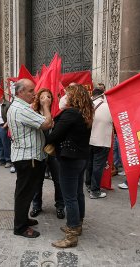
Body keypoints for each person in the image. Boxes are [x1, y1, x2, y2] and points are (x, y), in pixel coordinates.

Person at [46, 84, 93, 248]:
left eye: (67, 94)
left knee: (69, 197)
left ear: (73, 97)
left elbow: (54, 136)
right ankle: (77, 224)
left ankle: (71, 234)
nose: (63, 96)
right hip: (81, 158)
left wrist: (48, 136)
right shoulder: (84, 113)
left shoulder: (70, 113)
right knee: (78, 193)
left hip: (70, 159)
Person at [7, 78, 53, 238]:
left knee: (25, 192)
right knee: (24, 193)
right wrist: (46, 106)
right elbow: (47, 123)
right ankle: (20, 227)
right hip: (28, 158)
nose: (34, 94)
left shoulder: (20, 107)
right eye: (30, 91)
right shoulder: (21, 109)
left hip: (26, 156)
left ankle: (23, 219)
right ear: (20, 92)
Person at [29, 89, 65, 220]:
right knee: (37, 181)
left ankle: (60, 206)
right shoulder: (33, 113)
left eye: (49, 96)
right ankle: (36, 205)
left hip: (54, 152)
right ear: (38, 99)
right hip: (39, 151)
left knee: (58, 180)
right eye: (43, 96)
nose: (46, 99)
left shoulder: (58, 114)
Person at [86, 86, 112, 199]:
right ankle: (95, 191)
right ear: (103, 95)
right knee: (98, 166)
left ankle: (88, 184)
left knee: (90, 163)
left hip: (90, 140)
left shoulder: (88, 105)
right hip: (102, 140)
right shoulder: (108, 106)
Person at [0, 96, 12, 168]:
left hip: (3, 126)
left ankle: (8, 160)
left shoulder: (8, 104)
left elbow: (10, 116)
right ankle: (2, 159)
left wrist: (6, 124)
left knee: (6, 144)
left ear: (1, 96)